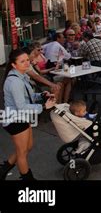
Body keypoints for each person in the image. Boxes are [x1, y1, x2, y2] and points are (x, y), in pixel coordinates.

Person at [0, 49, 56, 180]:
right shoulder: (14, 82)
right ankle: (27, 179)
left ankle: (4, 168)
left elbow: (28, 97)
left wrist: (42, 95)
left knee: (27, 147)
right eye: (22, 61)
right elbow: (21, 107)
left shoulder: (22, 76)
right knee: (22, 153)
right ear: (14, 65)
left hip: (23, 117)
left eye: (27, 60)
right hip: (15, 119)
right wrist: (43, 106)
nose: (26, 63)